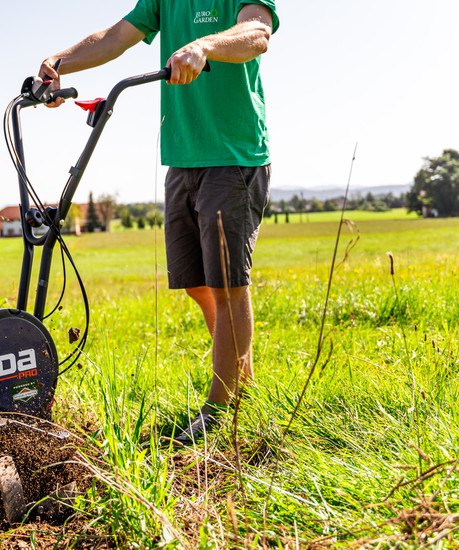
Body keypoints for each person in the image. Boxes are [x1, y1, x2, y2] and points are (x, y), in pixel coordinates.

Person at [39, 0, 279, 443]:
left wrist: (205, 45)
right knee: (196, 282)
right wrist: (59, 63)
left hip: (234, 156)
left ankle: (220, 408)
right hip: (182, 158)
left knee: (228, 285)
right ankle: (243, 378)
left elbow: (257, 34)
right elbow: (115, 38)